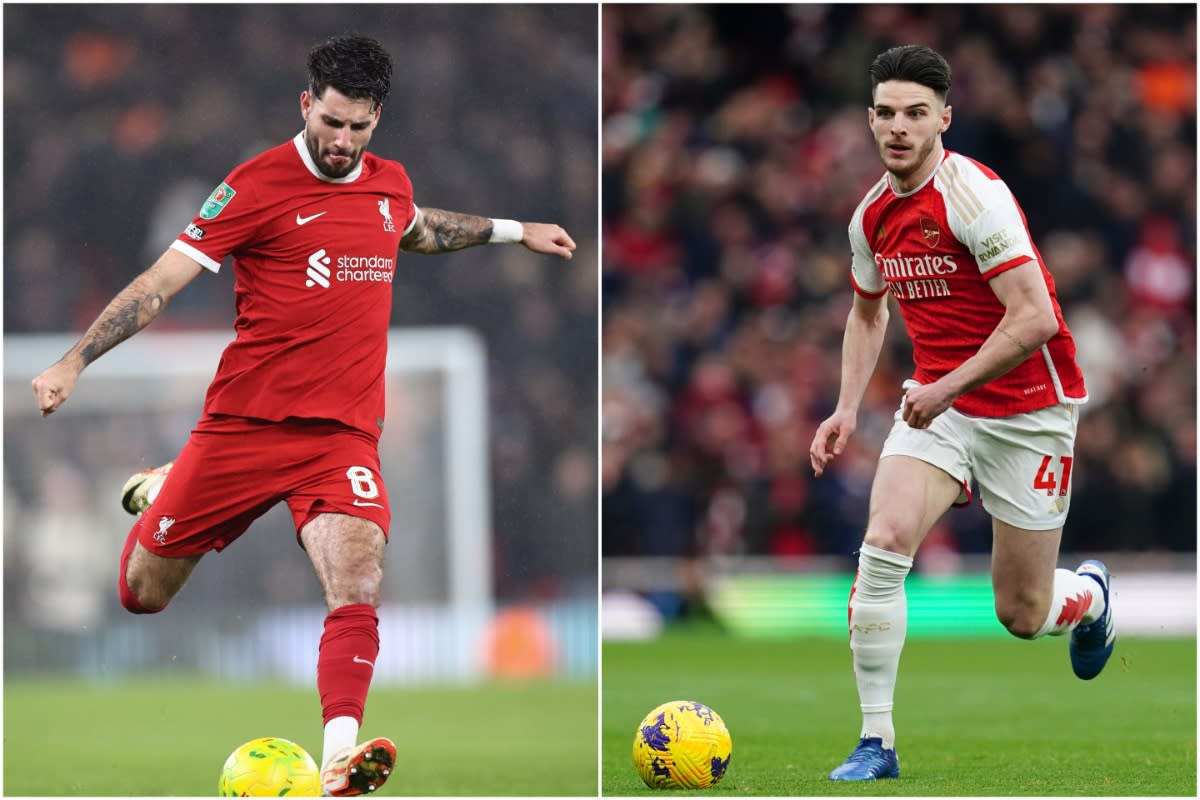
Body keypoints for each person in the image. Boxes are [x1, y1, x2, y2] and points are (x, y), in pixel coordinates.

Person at [31, 33, 576, 797]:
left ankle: (339, 762)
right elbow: (161, 281)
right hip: (244, 429)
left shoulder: (388, 185)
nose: (343, 141)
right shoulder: (253, 185)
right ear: (305, 105)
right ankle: (170, 482)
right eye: (331, 123)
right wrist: (75, 361)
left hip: (342, 437)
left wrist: (517, 232)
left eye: (358, 127)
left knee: (356, 581)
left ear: (377, 118)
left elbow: (418, 228)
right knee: (142, 594)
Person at [808, 45, 1113, 782]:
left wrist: (946, 387)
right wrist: (847, 407)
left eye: (916, 113)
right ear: (870, 120)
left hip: (1029, 412)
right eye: (886, 113)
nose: (899, 127)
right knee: (882, 543)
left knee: (1021, 613)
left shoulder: (975, 196)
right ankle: (875, 743)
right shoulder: (871, 216)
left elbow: (1035, 316)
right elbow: (866, 312)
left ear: (944, 117)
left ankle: (1090, 598)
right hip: (940, 410)